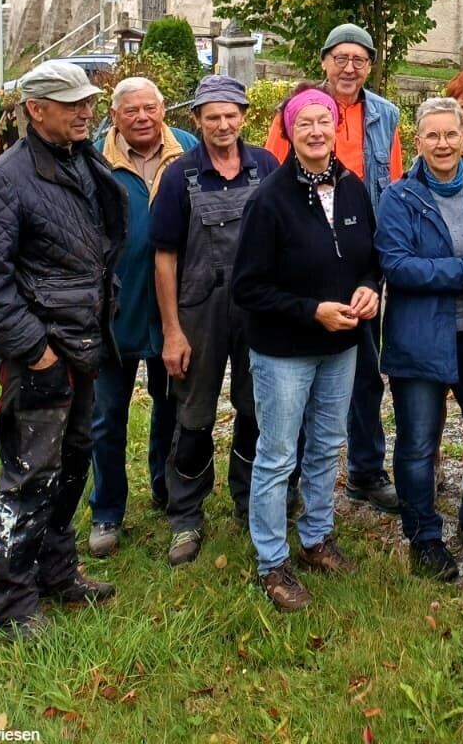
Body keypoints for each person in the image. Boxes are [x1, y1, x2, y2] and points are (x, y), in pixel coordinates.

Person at [0, 59, 126, 641]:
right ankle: (12, 604)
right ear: (37, 110)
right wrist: (34, 352)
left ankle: (58, 572)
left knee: (73, 462)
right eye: (73, 103)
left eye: (88, 101)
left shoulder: (79, 158)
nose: (87, 110)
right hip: (41, 355)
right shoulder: (8, 179)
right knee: (30, 476)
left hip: (83, 345)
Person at [234, 87, 381, 611]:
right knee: (277, 456)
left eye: (325, 121)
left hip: (341, 347)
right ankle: (272, 561)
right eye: (305, 124)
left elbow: (368, 255)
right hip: (284, 352)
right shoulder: (269, 200)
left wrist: (369, 286)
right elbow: (247, 288)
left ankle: (317, 537)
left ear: (336, 127)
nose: (316, 132)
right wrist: (310, 309)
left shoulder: (354, 188)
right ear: (289, 133)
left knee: (325, 446)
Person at [375, 97, 463, 581]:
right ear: (419, 141)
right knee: (417, 445)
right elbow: (397, 266)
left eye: (450, 134)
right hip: (419, 339)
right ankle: (425, 538)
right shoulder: (399, 198)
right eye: (432, 135)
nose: (442, 143)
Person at [263, 22, 400, 514]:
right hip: (303, 261)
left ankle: (366, 470)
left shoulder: (385, 115)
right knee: (300, 373)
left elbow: (395, 188)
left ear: (370, 65)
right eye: (340, 58)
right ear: (324, 62)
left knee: (365, 373)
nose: (349, 67)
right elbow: (272, 179)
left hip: (361, 263)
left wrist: (380, 271)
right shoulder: (297, 112)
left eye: (359, 59)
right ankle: (293, 475)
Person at [149, 75, 278, 566]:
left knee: (255, 409)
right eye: (212, 117)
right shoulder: (180, 176)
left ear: (244, 117)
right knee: (193, 413)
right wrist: (172, 331)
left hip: (256, 309)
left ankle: (249, 504)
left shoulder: (265, 167)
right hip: (199, 310)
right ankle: (186, 516)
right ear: (196, 121)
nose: (223, 125)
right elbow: (164, 258)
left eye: (231, 115)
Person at [87, 77, 196, 559]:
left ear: (163, 109)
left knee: (171, 406)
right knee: (105, 415)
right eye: (130, 110)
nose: (141, 117)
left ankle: (166, 488)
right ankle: (106, 511)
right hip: (113, 308)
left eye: (149, 108)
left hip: (173, 307)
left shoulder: (188, 150)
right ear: (115, 116)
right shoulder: (92, 159)